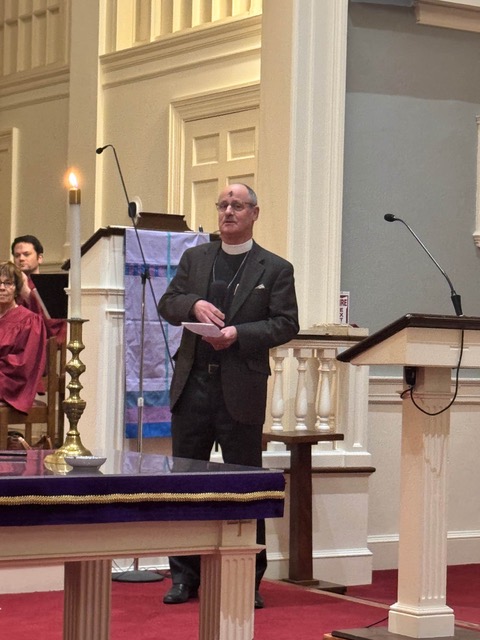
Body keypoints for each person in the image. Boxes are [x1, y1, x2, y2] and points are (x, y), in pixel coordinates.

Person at [158, 183, 299, 609]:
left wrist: (238, 334)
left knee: (244, 487)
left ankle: (247, 578)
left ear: (255, 213)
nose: (228, 212)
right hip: (193, 386)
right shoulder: (195, 258)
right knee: (185, 487)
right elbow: (169, 302)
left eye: (237, 205)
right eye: (222, 205)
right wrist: (194, 304)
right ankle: (184, 577)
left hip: (240, 389)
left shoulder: (274, 268)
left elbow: (285, 324)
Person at [0, 261, 47, 413]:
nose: (2, 288)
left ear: (17, 288)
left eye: (8, 283)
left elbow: (24, 362)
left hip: (12, 381)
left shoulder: (29, 320)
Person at [11, 235, 67, 344]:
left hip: (41, 345)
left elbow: (53, 327)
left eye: (26, 254)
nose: (21, 258)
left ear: (39, 258)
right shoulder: (8, 287)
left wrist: (27, 294)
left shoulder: (52, 286)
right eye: (17, 255)